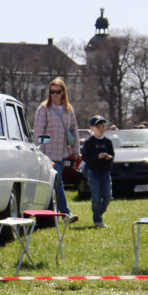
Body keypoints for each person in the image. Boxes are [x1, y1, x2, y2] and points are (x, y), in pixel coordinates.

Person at [33, 77, 79, 222]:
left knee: (54, 184)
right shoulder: (44, 108)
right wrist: (39, 150)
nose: (54, 94)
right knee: (57, 182)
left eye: (57, 91)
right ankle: (65, 214)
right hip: (47, 153)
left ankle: (48, 214)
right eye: (51, 92)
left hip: (62, 153)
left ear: (63, 92)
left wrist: (76, 150)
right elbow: (38, 132)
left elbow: (74, 130)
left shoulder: (68, 109)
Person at [81, 115, 114, 228]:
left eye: (103, 126)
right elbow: (85, 158)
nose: (101, 128)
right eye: (98, 126)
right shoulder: (89, 142)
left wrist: (109, 157)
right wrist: (97, 157)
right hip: (93, 173)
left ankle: (98, 212)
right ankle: (97, 220)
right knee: (96, 198)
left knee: (108, 196)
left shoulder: (108, 142)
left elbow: (112, 155)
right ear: (92, 128)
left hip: (105, 173)